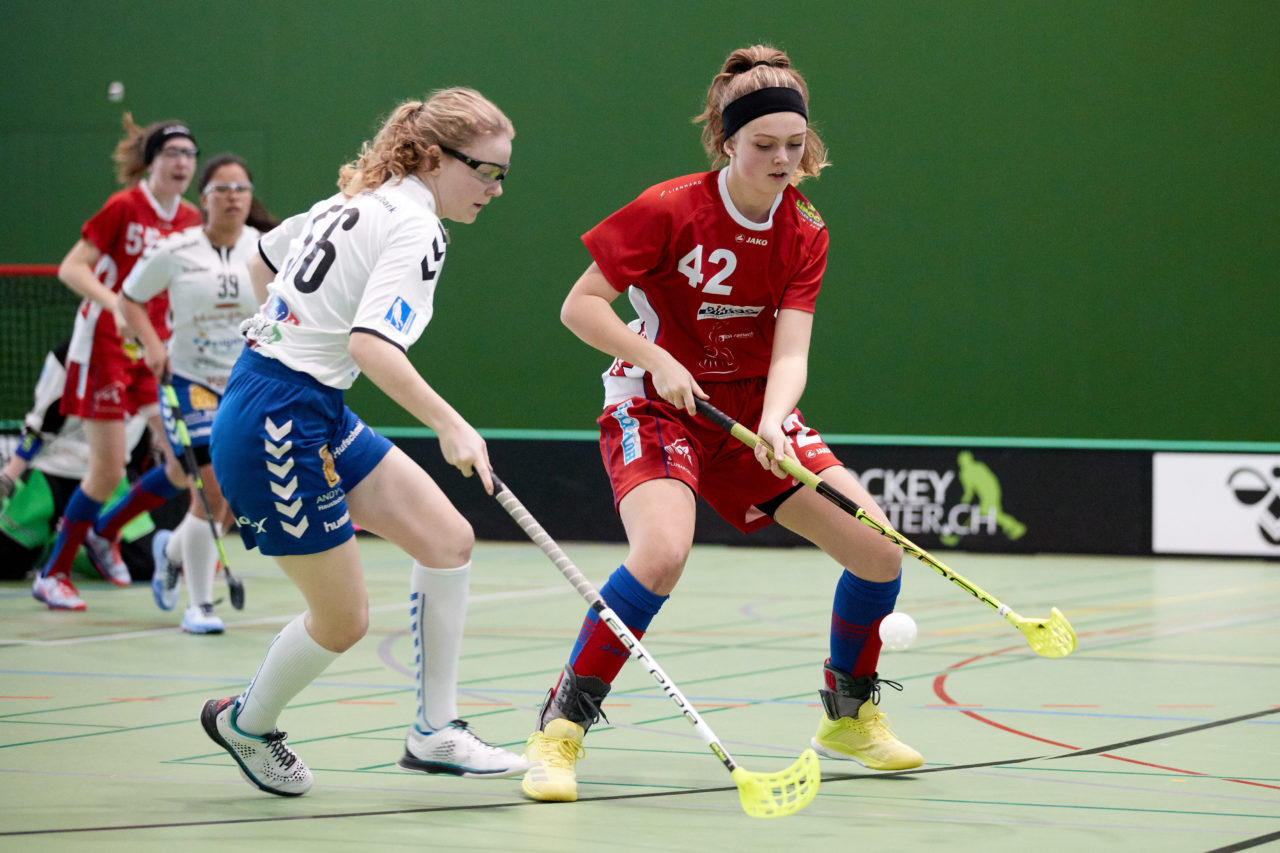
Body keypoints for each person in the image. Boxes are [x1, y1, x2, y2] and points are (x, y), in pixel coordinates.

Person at [520, 45, 923, 804]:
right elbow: (580, 305)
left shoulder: (805, 229)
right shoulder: (670, 208)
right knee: (663, 554)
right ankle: (559, 729)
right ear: (727, 141)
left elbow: (793, 349)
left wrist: (773, 418)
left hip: (747, 410)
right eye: (764, 145)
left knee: (877, 547)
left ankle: (848, 715)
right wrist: (654, 357)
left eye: (794, 146)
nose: (781, 160)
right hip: (655, 401)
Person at [200, 88, 528, 797]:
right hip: (277, 421)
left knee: (448, 538)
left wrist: (289, 332)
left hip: (304, 400)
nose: (494, 189)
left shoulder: (357, 200)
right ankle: (247, 723)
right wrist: (451, 422)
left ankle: (435, 730)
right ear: (436, 158)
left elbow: (264, 259)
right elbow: (371, 346)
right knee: (344, 619)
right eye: (486, 171)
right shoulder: (417, 228)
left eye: (504, 174)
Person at [32, 115, 202, 610]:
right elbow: (72, 267)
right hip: (103, 343)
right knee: (106, 470)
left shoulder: (191, 219)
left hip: (153, 347)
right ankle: (53, 573)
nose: (181, 163)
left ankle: (104, 531)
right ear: (151, 160)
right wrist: (117, 307)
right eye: (171, 153)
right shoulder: (124, 207)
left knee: (180, 459)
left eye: (189, 155)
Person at [119, 153, 276, 634]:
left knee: (225, 499)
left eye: (241, 189)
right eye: (222, 189)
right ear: (203, 199)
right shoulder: (177, 248)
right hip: (190, 383)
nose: (233, 197)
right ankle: (201, 605)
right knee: (210, 492)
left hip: (246, 384)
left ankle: (169, 550)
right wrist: (150, 344)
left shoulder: (267, 248)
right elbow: (129, 298)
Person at [0, 341, 159, 583]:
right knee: (6, 564)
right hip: (51, 472)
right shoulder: (68, 355)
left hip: (109, 477)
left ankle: (77, 550)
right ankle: (50, 546)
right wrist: (8, 478)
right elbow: (38, 423)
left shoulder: (153, 353)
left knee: (144, 566)